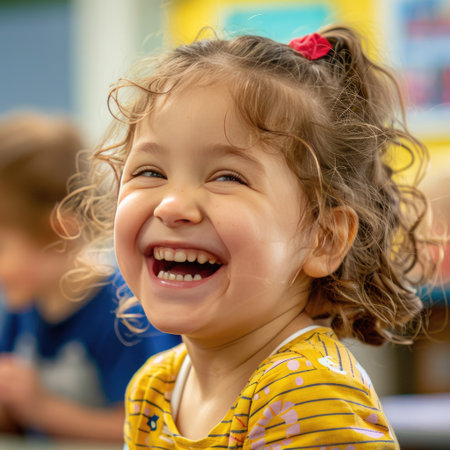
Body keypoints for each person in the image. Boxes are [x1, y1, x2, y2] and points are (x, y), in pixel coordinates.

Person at [58, 26, 440, 448]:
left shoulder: (307, 393)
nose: (171, 205)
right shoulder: (155, 388)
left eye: (227, 177)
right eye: (151, 172)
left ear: (324, 239)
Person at [0, 112, 180, 441]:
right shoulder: (21, 309)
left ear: (60, 232)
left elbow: (150, 427)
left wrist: (42, 408)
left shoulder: (126, 314)